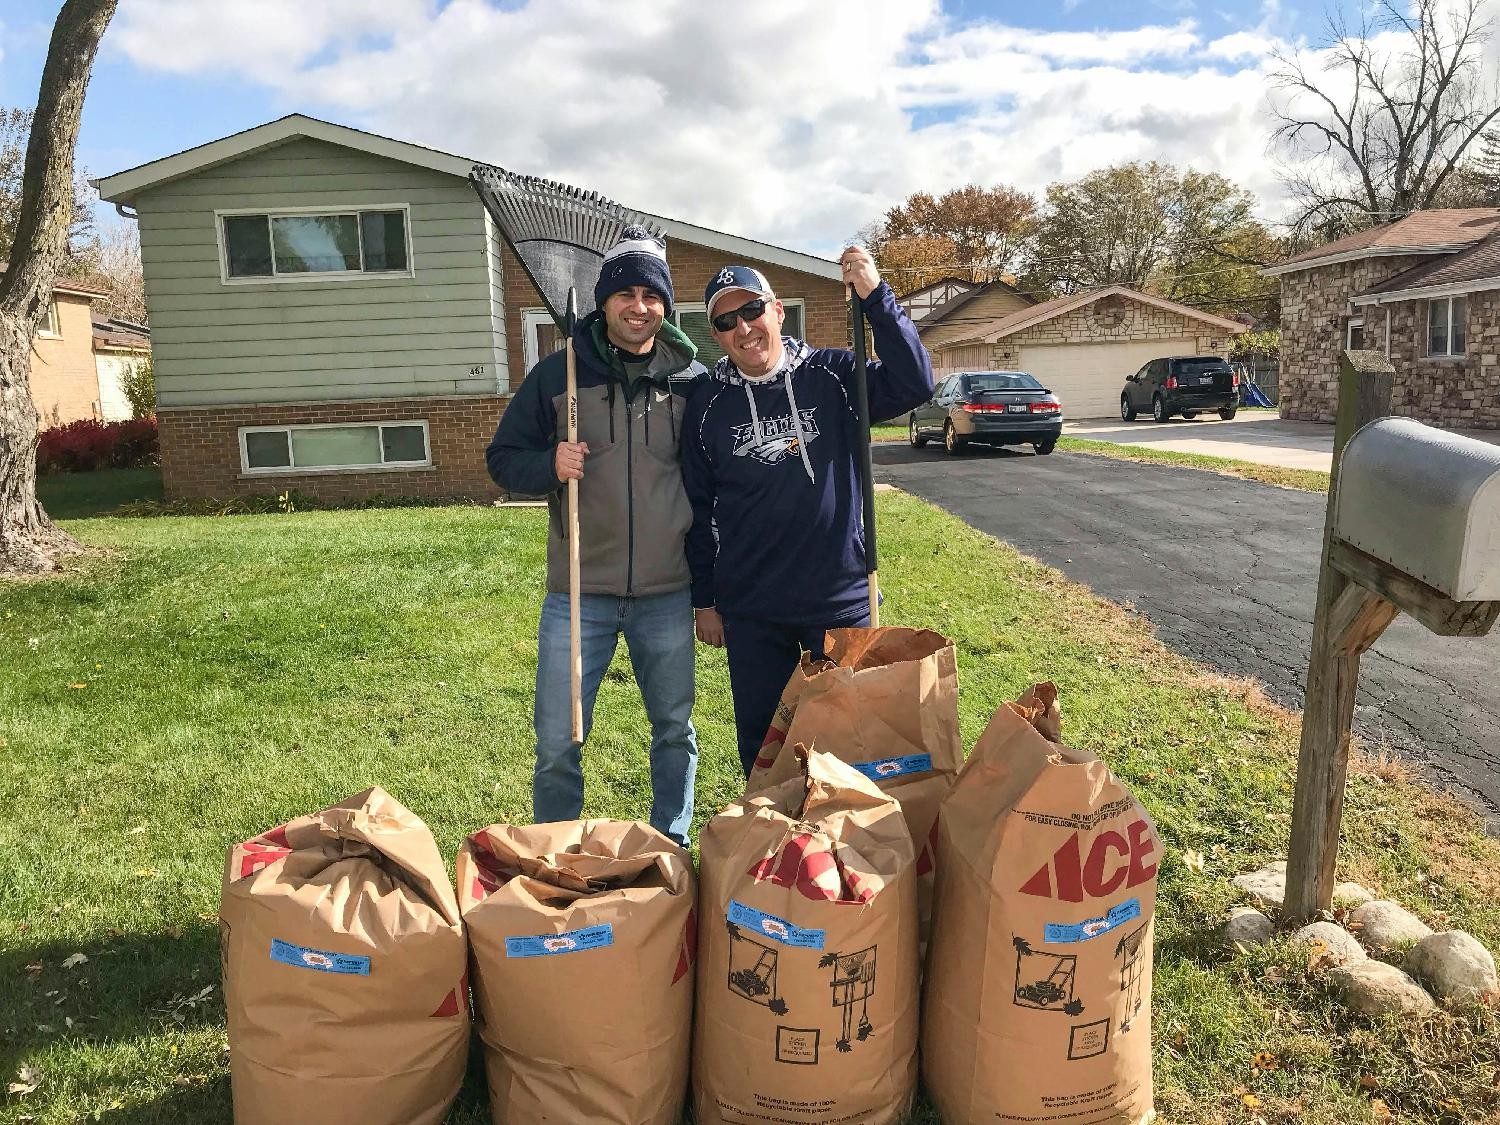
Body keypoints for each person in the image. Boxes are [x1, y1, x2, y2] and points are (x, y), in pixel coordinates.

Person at [682, 246, 934, 777]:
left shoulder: (835, 376)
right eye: (725, 321)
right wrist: (704, 600)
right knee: (764, 743)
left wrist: (876, 298)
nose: (743, 328)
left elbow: (915, 383)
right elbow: (699, 507)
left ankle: (850, 843)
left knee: (853, 733)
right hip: (752, 608)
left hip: (840, 596)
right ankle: (777, 845)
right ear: (717, 336)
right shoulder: (706, 404)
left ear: (776, 310)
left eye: (751, 310)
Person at [486, 226, 702, 846]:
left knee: (674, 729)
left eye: (652, 295)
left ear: (665, 306)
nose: (640, 307)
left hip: (667, 592)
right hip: (580, 592)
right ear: (604, 302)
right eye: (626, 294)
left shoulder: (688, 381)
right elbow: (502, 457)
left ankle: (672, 844)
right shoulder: (560, 375)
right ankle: (555, 850)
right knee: (559, 738)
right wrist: (548, 464)